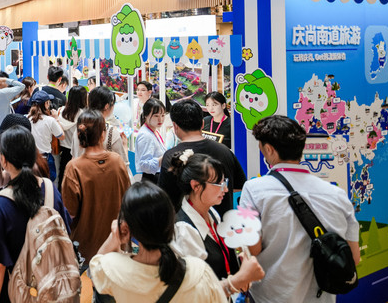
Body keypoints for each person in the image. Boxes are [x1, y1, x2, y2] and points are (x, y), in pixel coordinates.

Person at [239, 115, 360, 303]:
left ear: (269, 149)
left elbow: (253, 248)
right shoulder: (338, 195)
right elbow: (354, 257)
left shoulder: (253, 190)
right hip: (322, 297)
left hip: (271, 296)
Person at [89, 181, 227, 303]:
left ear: (127, 228)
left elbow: (94, 274)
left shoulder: (113, 269)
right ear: (171, 222)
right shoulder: (200, 272)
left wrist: (115, 236)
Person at [0, 127, 72, 303]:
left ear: (4, 160)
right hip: (50, 285)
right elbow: (65, 232)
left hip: (15, 291)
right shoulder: (50, 189)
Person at [170, 151, 265, 297]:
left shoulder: (211, 213)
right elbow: (196, 291)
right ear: (196, 186)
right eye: (218, 184)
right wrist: (236, 281)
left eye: (224, 182)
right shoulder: (184, 230)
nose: (225, 189)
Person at [62, 110, 130, 264]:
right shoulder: (117, 161)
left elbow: (70, 212)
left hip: (85, 248)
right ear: (103, 135)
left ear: (79, 135)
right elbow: (128, 198)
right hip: (116, 244)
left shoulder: (74, 167)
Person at [158, 99, 246, 216]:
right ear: (203, 124)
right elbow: (239, 186)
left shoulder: (171, 156)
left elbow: (165, 198)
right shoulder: (224, 151)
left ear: (175, 126)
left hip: (184, 223)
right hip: (222, 222)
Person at [81, 87, 128, 170]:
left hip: (83, 174)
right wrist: (124, 146)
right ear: (107, 106)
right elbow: (123, 165)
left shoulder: (80, 129)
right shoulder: (111, 132)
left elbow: (75, 155)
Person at [27, 90, 64, 181]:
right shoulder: (50, 120)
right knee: (48, 183)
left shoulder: (26, 118)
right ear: (46, 104)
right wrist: (56, 119)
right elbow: (62, 136)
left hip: (30, 158)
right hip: (45, 158)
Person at [56, 85, 87, 188]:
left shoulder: (61, 110)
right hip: (77, 150)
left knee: (63, 175)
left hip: (63, 149)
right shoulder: (82, 114)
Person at [135, 98, 167, 183]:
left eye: (163, 115)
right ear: (146, 115)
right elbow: (144, 165)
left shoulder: (154, 130)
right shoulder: (145, 135)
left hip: (157, 175)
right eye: (156, 116)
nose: (160, 120)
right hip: (152, 178)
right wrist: (164, 158)